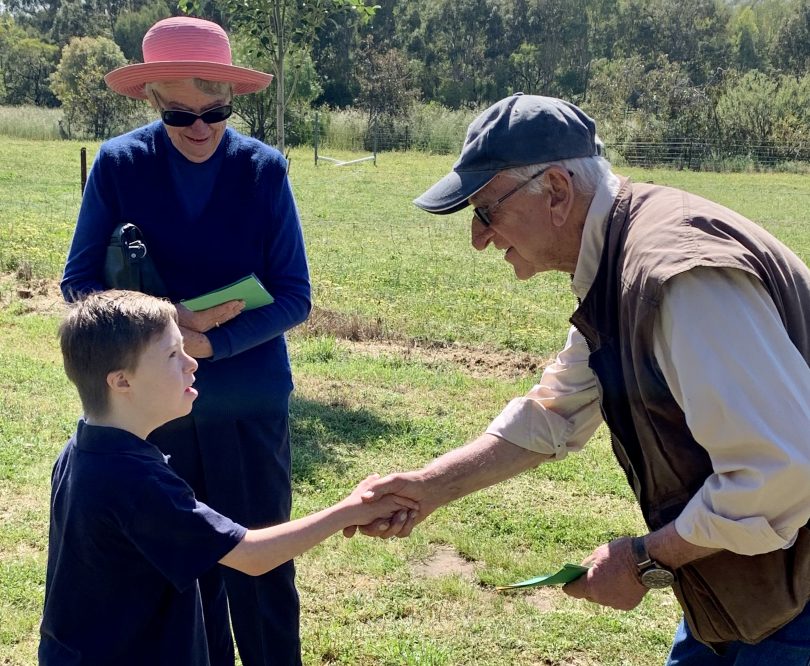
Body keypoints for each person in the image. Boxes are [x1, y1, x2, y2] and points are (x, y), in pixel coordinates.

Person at [351, 93, 810, 664]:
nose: (479, 236)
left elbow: (780, 472)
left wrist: (645, 561)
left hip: (795, 605)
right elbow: (555, 411)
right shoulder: (617, 262)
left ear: (558, 193)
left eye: (486, 211)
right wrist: (428, 488)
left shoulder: (675, 277)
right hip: (748, 589)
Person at [59, 17, 311, 666]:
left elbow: (294, 296)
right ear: (151, 103)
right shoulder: (119, 165)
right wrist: (169, 324)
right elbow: (80, 282)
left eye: (215, 111)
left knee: (262, 575)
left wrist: (209, 349)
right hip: (155, 410)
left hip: (250, 404)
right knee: (181, 581)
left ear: (234, 100)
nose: (199, 128)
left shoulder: (265, 171)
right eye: (178, 115)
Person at [39, 290, 417, 666]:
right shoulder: (136, 482)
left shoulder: (84, 448)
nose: (192, 363)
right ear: (122, 382)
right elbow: (251, 556)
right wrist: (349, 510)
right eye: (173, 354)